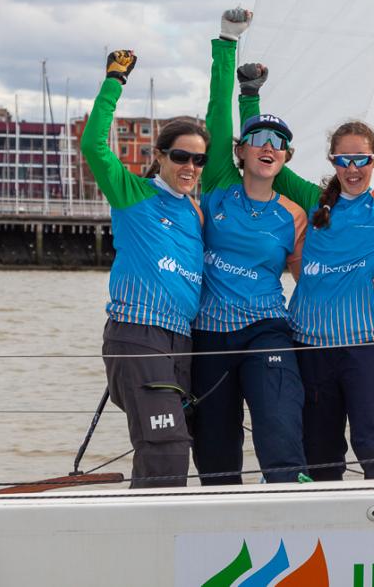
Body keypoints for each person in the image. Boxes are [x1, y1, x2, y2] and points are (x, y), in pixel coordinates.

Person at [266, 121, 374, 480]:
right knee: (318, 453)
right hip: (309, 346)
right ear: (332, 161)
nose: (352, 169)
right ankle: (321, 532)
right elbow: (268, 158)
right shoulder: (311, 199)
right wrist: (250, 95)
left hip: (368, 346)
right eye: (343, 160)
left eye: (361, 160)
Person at [190, 9, 309, 485]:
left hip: (266, 330)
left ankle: (292, 507)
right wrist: (227, 43)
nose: (267, 145)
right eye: (257, 137)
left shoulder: (293, 212)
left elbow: (312, 275)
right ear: (241, 151)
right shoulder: (218, 185)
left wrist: (373, 282)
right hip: (210, 336)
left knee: (279, 429)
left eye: (278, 142)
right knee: (215, 452)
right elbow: (218, 116)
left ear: (284, 157)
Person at [80, 49, 207, 488]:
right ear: (160, 155)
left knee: (178, 444)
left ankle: (154, 528)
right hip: (137, 331)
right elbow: (94, 145)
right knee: (165, 445)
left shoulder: (195, 211)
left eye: (198, 160)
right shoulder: (132, 193)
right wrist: (115, 80)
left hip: (181, 340)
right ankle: (155, 537)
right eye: (180, 157)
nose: (190, 166)